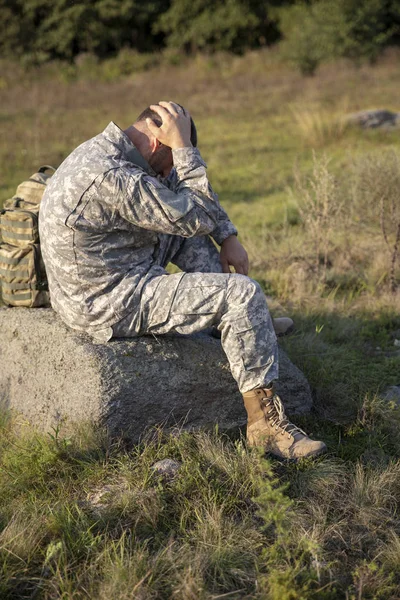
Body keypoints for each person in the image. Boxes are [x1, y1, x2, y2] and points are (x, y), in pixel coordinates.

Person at [39, 101, 326, 459]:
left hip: (120, 265)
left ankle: (245, 328)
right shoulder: (112, 176)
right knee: (241, 294)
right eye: (175, 154)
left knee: (185, 223)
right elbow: (193, 213)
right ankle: (265, 428)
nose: (175, 167)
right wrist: (186, 150)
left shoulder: (124, 152)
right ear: (159, 142)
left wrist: (228, 236)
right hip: (106, 299)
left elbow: (183, 193)